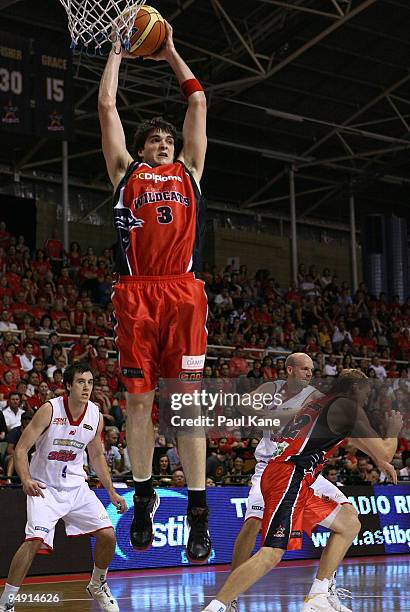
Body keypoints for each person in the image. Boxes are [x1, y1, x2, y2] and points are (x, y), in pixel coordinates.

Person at [98, 20, 210, 562]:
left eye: (169, 139)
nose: (165, 143)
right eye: (156, 139)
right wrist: (117, 53)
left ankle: (197, 511)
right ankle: (144, 498)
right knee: (139, 404)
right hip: (136, 292)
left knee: (185, 408)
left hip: (183, 292)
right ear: (143, 150)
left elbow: (199, 104)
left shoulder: (191, 169)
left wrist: (169, 51)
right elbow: (107, 110)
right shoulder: (126, 172)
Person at [202, 368, 402, 612]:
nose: (367, 397)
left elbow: (353, 439)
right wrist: (393, 429)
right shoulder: (349, 406)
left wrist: (379, 460)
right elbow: (386, 450)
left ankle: (318, 596)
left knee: (349, 523)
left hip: (296, 476)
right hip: (288, 476)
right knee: (272, 553)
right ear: (355, 389)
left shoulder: (323, 402)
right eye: (366, 391)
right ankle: (218, 606)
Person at [225, 353, 356, 612]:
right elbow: (243, 405)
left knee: (350, 515)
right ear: (289, 370)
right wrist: (276, 416)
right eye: (304, 368)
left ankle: (323, 591)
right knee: (252, 524)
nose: (309, 373)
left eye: (311, 369)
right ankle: (230, 596)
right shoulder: (271, 389)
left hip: (303, 467)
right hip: (270, 467)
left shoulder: (315, 396)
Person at [0, 363, 127, 612]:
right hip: (44, 487)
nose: (86, 387)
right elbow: (22, 449)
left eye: (90, 382)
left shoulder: (95, 416)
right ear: (68, 386)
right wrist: (25, 479)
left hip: (76, 487)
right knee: (33, 541)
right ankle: (7, 601)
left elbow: (97, 456)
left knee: (108, 535)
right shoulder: (50, 409)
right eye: (81, 382)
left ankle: (97, 584)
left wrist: (111, 491)